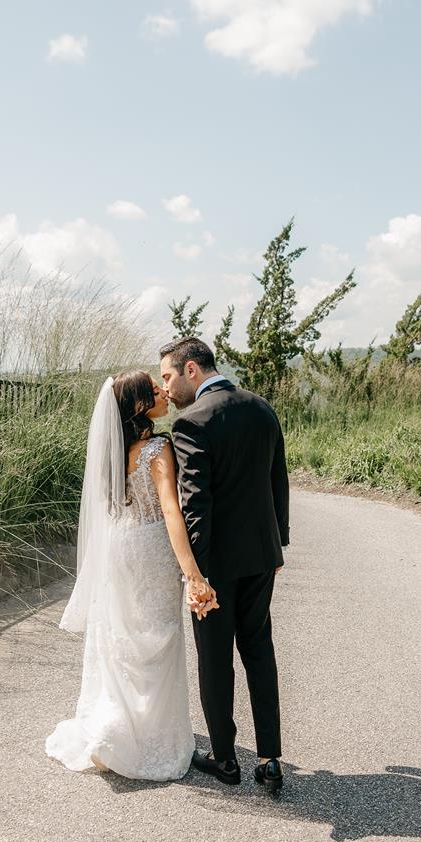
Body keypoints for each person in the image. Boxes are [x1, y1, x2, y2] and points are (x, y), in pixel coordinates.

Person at [46, 370, 217, 781]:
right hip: (152, 549)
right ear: (139, 404)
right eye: (154, 391)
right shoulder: (158, 447)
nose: (163, 393)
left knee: (124, 635)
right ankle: (145, 736)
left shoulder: (113, 451)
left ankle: (116, 723)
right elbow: (171, 510)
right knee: (159, 635)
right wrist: (193, 574)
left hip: (120, 546)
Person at [157, 336, 289, 792]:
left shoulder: (191, 422)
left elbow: (195, 504)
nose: (166, 387)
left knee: (215, 659)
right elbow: (277, 479)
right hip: (262, 557)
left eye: (169, 376)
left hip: (216, 565)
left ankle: (224, 758)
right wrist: (278, 545)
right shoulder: (261, 407)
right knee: (259, 649)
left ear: (191, 369)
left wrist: (196, 575)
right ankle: (270, 759)